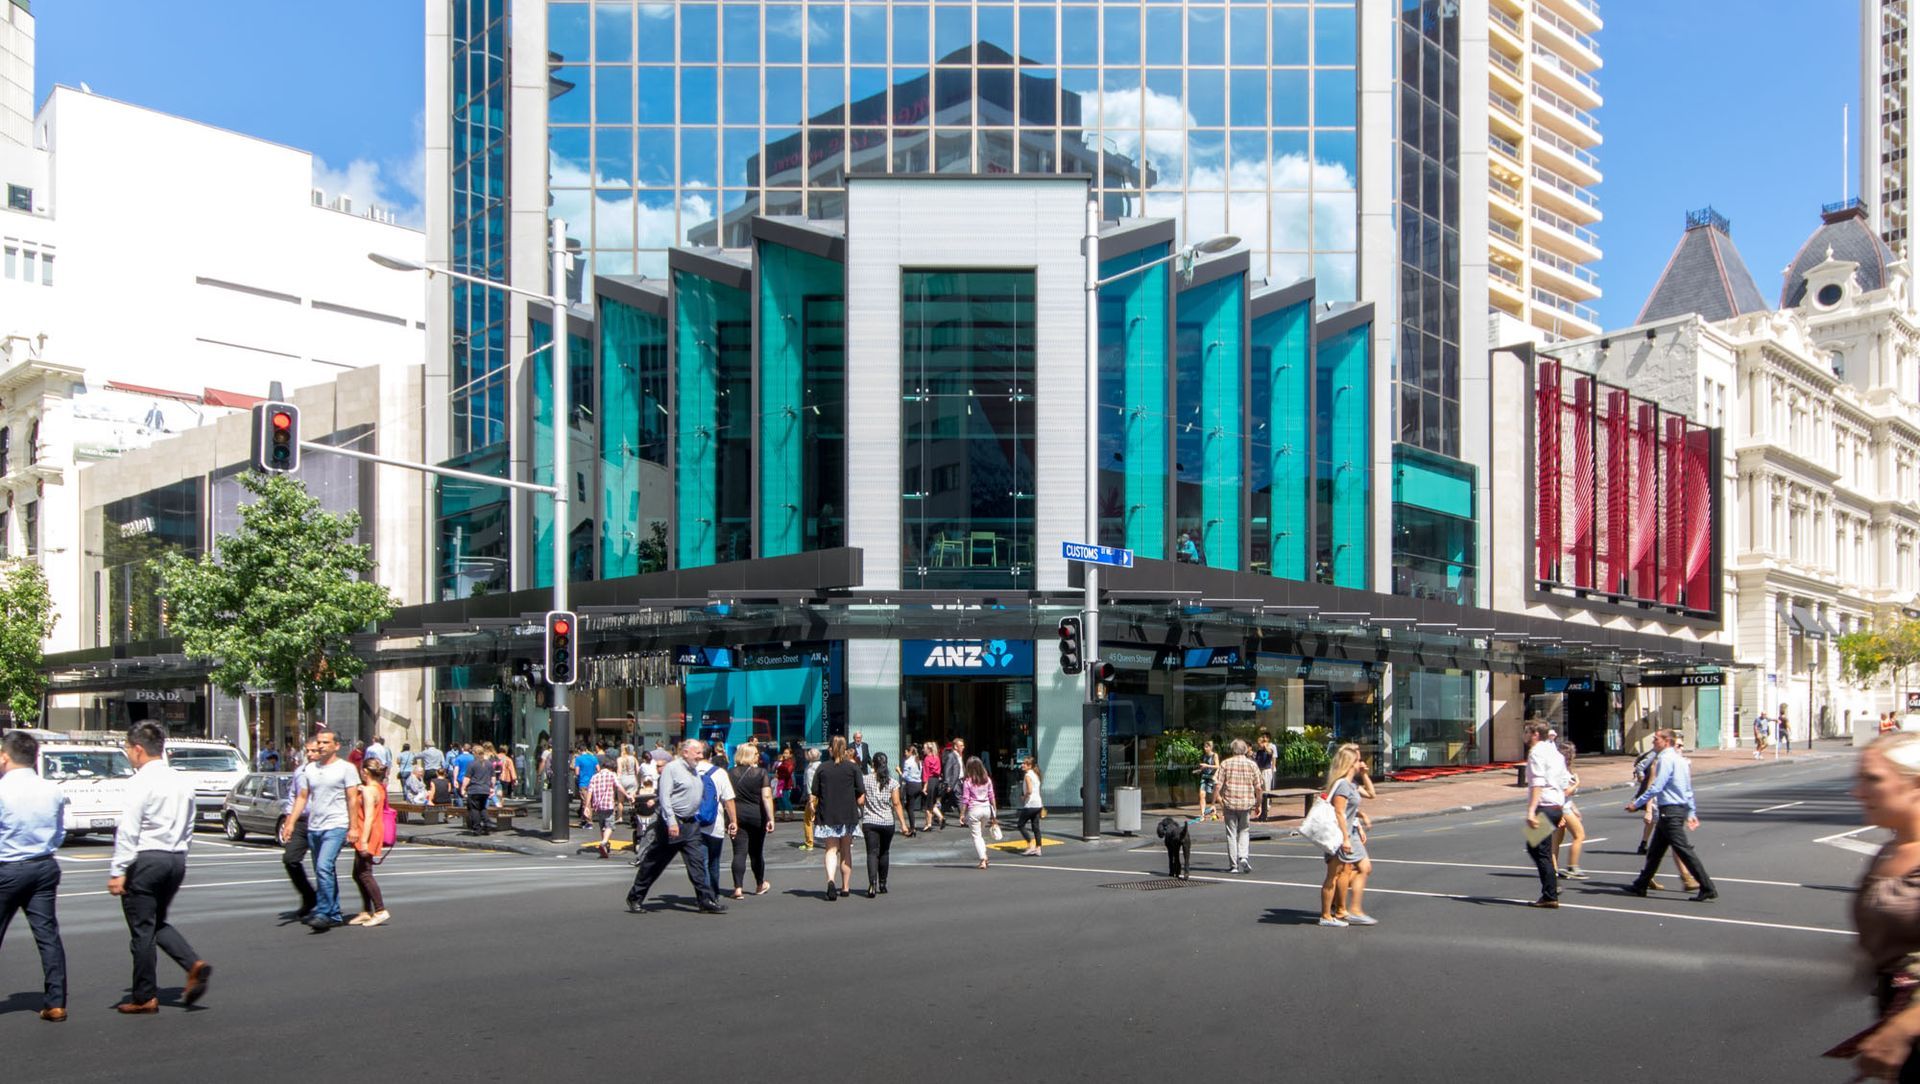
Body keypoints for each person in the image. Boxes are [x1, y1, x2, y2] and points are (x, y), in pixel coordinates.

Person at [110, 722, 211, 1012]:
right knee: (156, 922)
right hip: (175, 857)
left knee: (142, 930)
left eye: (128, 748)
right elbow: (191, 824)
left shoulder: (139, 782)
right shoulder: (181, 781)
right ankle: (193, 964)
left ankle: (144, 996)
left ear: (138, 749)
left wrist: (118, 869)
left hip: (146, 859)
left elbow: (129, 829)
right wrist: (181, 854)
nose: (128, 754)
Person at [1844, 732, 1920, 1081]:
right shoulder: (1888, 852)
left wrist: (1906, 1025)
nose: (1858, 792)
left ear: (1915, 784)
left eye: (1872, 780)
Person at [0, 728, 69, 1021]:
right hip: (43, 866)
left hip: (7, 868)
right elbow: (59, 832)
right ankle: (55, 1002)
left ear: (5, 757)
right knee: (47, 935)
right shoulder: (52, 790)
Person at [625, 740, 726, 915]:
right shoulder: (672, 769)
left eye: (701, 753)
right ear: (685, 752)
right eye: (697, 753)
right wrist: (671, 821)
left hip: (691, 824)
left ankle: (705, 900)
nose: (701, 756)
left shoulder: (693, 768)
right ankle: (635, 897)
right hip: (673, 824)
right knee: (655, 863)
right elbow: (664, 797)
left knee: (697, 863)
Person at [1624, 728, 1718, 902]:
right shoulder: (1681, 760)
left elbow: (1657, 786)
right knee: (1655, 851)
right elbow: (1688, 789)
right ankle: (1641, 884)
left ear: (1666, 741)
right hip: (1677, 808)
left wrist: (1637, 804)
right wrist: (1691, 811)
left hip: (1670, 810)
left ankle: (1707, 887)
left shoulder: (1665, 759)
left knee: (1683, 850)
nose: (1653, 743)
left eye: (1656, 740)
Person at [283, 729, 360, 931]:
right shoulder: (309, 769)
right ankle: (334, 913)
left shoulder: (346, 768)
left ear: (336, 746)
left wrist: (353, 827)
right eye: (319, 742)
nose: (321, 746)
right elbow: (302, 797)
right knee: (324, 871)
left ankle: (323, 912)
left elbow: (353, 798)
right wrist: (290, 822)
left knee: (323, 867)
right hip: (315, 826)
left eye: (325, 742)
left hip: (336, 825)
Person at [1315, 743, 1376, 927]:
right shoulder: (1342, 785)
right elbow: (1339, 812)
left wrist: (1365, 774)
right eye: (1357, 760)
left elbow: (1371, 794)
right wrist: (1346, 837)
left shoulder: (1351, 784)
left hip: (1347, 833)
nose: (1361, 762)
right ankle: (1327, 915)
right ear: (1350, 763)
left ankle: (1340, 909)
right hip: (1338, 835)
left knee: (1344, 872)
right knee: (1333, 875)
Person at [1522, 720, 1571, 909]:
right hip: (1556, 806)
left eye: (1526, 732)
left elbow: (1538, 784)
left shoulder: (1536, 753)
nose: (1524, 735)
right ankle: (1551, 886)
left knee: (1541, 851)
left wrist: (1531, 810)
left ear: (1535, 734)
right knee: (1535, 846)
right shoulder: (1554, 752)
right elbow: (1565, 780)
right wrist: (1561, 808)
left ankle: (1550, 893)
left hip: (1545, 805)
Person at [809, 737, 863, 899]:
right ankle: (845, 886)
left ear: (830, 749)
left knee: (831, 849)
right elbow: (860, 791)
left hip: (828, 813)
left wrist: (813, 806)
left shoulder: (823, 768)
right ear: (846, 748)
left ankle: (830, 880)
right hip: (847, 813)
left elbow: (814, 792)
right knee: (846, 850)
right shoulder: (852, 768)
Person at [278, 739, 322, 921]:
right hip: (302, 821)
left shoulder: (329, 771)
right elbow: (293, 797)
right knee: (290, 859)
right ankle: (309, 896)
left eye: (314, 751)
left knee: (323, 867)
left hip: (322, 821)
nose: (310, 754)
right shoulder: (300, 772)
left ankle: (327, 907)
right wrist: (289, 822)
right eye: (308, 751)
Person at [347, 757, 392, 927]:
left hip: (368, 831)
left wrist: (364, 841)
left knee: (364, 873)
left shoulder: (368, 791)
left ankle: (380, 910)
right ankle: (366, 911)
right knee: (358, 873)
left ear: (365, 772)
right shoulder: (378, 788)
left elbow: (369, 817)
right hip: (373, 830)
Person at [859, 751, 910, 897]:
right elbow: (896, 803)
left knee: (871, 853)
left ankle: (872, 884)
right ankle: (883, 883)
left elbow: (861, 801)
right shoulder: (892, 782)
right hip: (887, 822)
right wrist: (903, 824)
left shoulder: (865, 779)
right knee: (884, 852)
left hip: (870, 821)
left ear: (873, 765)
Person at [728, 743, 775, 899]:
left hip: (736, 815)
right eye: (755, 753)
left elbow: (727, 798)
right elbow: (766, 796)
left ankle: (738, 888)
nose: (758, 756)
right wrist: (771, 818)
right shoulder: (761, 773)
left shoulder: (730, 773)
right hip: (757, 815)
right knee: (756, 852)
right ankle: (760, 884)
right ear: (749, 755)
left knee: (739, 852)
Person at [1215, 739, 1263, 874]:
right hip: (1246, 803)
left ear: (1232, 750)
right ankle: (1243, 856)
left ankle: (1234, 865)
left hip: (1229, 802)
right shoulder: (1252, 765)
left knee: (1231, 833)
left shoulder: (1225, 764)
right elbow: (1258, 788)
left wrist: (1216, 800)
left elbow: (1217, 785)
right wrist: (1258, 804)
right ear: (1245, 750)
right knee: (1244, 830)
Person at [697, 746, 738, 901]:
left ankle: (704, 896)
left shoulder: (689, 771)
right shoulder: (719, 773)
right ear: (710, 755)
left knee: (701, 862)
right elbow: (728, 800)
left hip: (694, 823)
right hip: (715, 824)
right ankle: (714, 895)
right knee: (714, 862)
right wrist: (733, 821)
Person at [1552, 739, 1589, 881]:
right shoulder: (1562, 771)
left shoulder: (1564, 769)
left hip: (1565, 807)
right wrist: (1578, 783)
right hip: (1563, 809)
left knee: (1557, 840)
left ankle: (1553, 868)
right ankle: (1572, 867)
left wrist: (1575, 808)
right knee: (1579, 835)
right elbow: (1565, 792)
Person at [585, 754, 632, 860]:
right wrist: (627, 795)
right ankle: (604, 842)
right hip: (608, 805)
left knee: (602, 826)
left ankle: (605, 846)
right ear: (611, 768)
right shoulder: (612, 775)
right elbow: (619, 786)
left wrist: (587, 806)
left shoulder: (594, 776)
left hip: (598, 806)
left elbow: (589, 792)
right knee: (610, 826)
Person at [960, 756, 998, 870]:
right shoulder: (987, 780)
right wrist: (994, 812)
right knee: (979, 835)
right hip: (986, 809)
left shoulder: (968, 781)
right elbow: (992, 796)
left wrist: (962, 813)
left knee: (976, 836)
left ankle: (983, 858)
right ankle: (984, 856)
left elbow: (965, 799)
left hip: (974, 809)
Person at [463, 741, 496, 834]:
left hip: (474, 790)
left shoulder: (472, 764)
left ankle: (477, 829)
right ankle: (487, 824)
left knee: (474, 809)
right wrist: (492, 787)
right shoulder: (489, 764)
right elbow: (493, 777)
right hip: (485, 789)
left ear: (474, 753)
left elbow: (467, 778)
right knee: (482, 808)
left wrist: (463, 788)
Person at [1015, 756, 1045, 857]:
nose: (1022, 765)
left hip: (1030, 804)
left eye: (1024, 764)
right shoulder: (1036, 775)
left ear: (1029, 766)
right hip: (1038, 804)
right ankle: (1038, 848)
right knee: (1036, 826)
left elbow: (1030, 790)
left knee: (1020, 824)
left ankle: (1030, 845)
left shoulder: (1028, 775)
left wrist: (1024, 797)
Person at [921, 741, 948, 831]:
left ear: (928, 749)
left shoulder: (927, 759)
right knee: (932, 803)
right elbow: (939, 771)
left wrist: (925, 786)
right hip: (936, 781)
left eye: (924, 748)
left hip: (930, 781)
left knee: (928, 804)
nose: (923, 750)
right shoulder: (937, 758)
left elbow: (926, 773)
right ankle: (940, 817)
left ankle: (928, 824)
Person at [800, 747, 822, 849]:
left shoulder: (810, 769)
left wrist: (810, 800)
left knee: (807, 819)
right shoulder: (821, 766)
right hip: (822, 796)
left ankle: (809, 842)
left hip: (813, 796)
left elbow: (809, 785)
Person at [1252, 733, 1277, 820]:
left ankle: (1266, 808)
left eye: (1261, 742)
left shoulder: (1269, 749)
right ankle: (1261, 806)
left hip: (1266, 770)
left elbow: (1271, 754)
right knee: (1260, 789)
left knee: (1266, 789)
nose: (1260, 743)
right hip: (1260, 770)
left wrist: (1265, 746)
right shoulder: (1259, 751)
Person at [941, 739, 966, 821]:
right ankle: (963, 819)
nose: (963, 747)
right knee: (959, 799)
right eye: (961, 745)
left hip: (960, 781)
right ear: (955, 746)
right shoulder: (951, 756)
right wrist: (948, 784)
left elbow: (961, 768)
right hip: (954, 781)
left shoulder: (959, 755)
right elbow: (947, 770)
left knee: (951, 800)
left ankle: (939, 815)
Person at [616, 744, 642, 824]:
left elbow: (619, 771)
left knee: (620, 801)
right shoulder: (634, 759)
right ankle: (633, 816)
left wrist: (618, 780)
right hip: (632, 779)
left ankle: (620, 817)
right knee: (632, 799)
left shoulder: (619, 759)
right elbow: (638, 770)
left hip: (622, 779)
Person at [901, 745, 924, 830]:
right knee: (909, 806)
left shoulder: (908, 762)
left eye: (906, 752)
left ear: (910, 752)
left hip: (911, 785)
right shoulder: (918, 760)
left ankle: (912, 828)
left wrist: (899, 771)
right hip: (918, 784)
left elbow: (905, 776)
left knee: (910, 808)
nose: (905, 754)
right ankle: (912, 826)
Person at [1197, 740, 1220, 822]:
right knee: (1202, 795)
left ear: (1211, 747)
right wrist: (1200, 770)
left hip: (1212, 778)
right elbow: (1204, 767)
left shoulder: (1214, 755)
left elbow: (1217, 766)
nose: (1205, 748)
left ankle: (1224, 811)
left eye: (1207, 747)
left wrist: (1207, 765)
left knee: (1217, 797)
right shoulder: (1204, 756)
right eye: (1204, 747)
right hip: (1204, 777)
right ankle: (1202, 814)